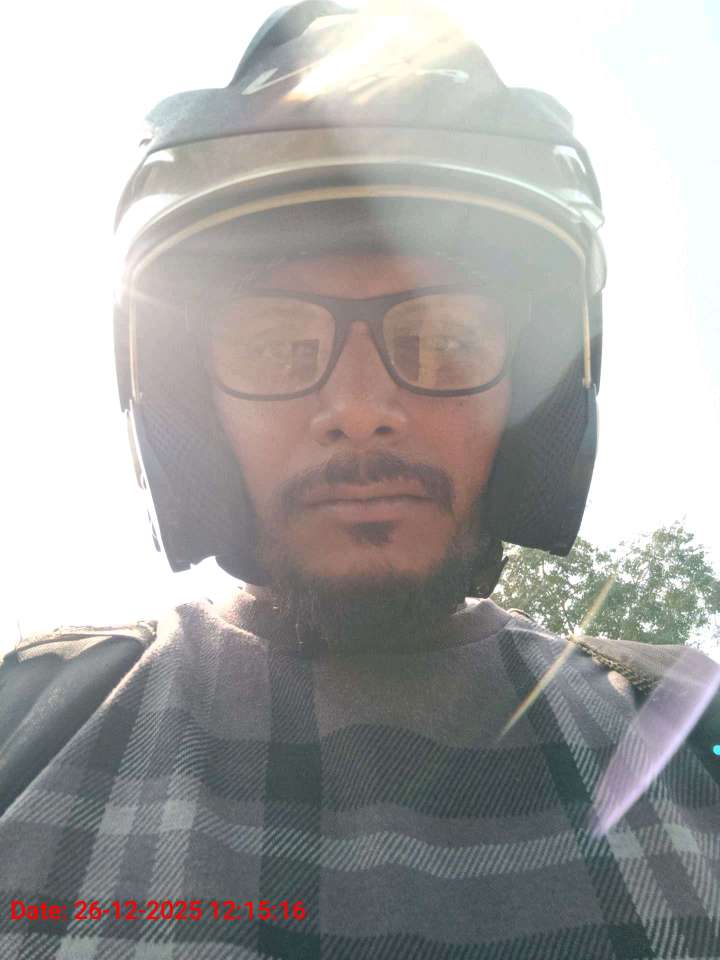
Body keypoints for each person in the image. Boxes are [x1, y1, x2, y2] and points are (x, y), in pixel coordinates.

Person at [1, 3, 718, 957]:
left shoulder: (689, 726)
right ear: (191, 406)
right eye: (278, 344)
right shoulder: (28, 719)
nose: (360, 408)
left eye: (442, 338)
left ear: (531, 400)